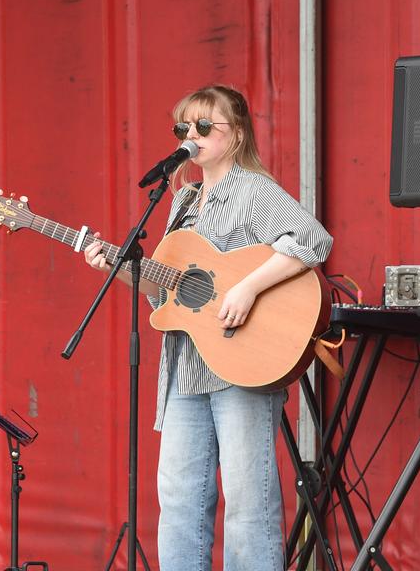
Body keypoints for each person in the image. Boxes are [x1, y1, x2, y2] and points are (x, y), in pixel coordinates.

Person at [82, 84, 333, 571]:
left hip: (242, 364)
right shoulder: (182, 202)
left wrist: (248, 288)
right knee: (178, 499)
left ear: (235, 136)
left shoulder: (254, 191)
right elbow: (168, 294)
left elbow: (312, 238)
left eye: (202, 126)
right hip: (184, 368)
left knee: (247, 501)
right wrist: (114, 268)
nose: (190, 136)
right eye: (183, 128)